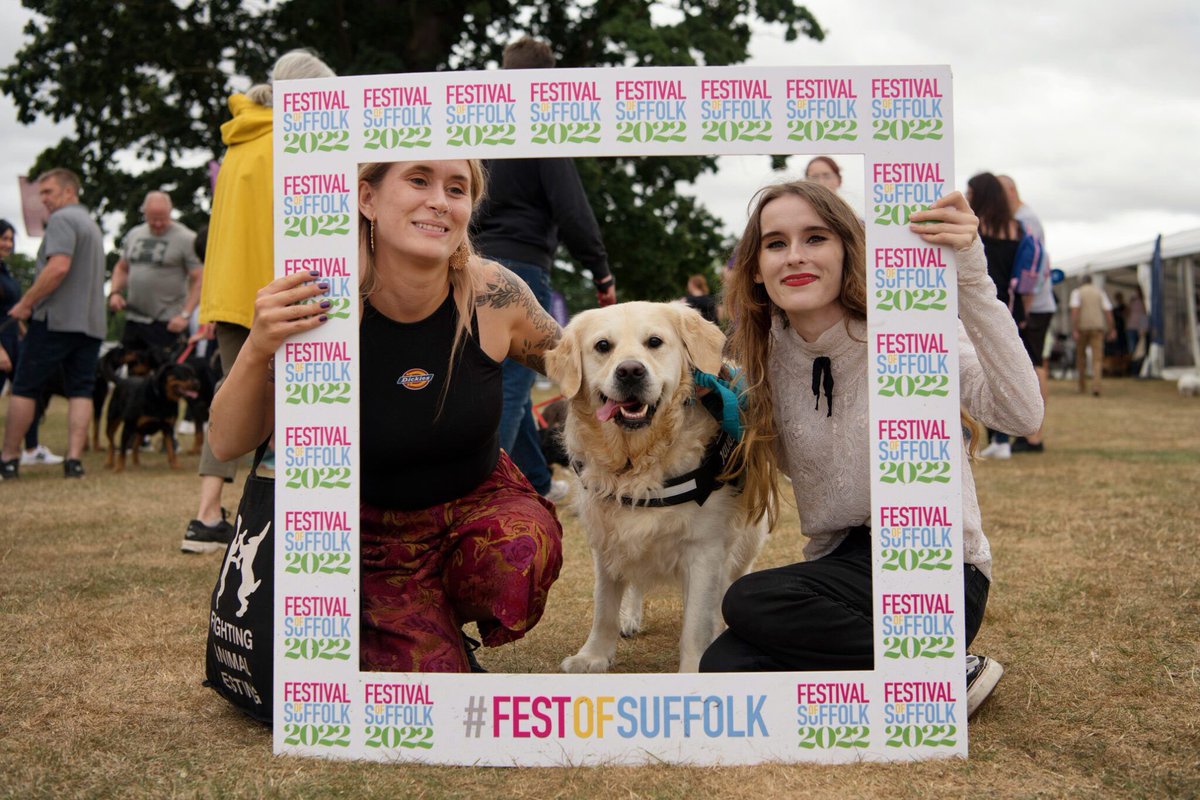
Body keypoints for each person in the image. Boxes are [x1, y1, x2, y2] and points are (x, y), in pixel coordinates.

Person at [699, 181, 1043, 720]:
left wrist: (971, 277)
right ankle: (911, 684)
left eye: (815, 238)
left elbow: (1022, 413)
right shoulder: (761, 363)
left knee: (748, 600)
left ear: (847, 249)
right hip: (842, 572)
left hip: (938, 567)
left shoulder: (908, 328)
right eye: (775, 243)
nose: (794, 256)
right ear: (756, 267)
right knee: (723, 666)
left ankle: (943, 666)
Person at [209, 159, 565, 673]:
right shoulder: (319, 302)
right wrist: (258, 347)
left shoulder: (493, 293)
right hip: (366, 534)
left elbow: (580, 365)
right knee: (431, 685)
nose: (441, 200)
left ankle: (441, 611)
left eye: (457, 189)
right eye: (419, 180)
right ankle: (411, 622)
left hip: (473, 504)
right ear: (367, 199)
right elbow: (226, 442)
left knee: (519, 545)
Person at [182, 49, 335, 553]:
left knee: (233, 402)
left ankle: (208, 514)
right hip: (279, 292)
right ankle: (278, 524)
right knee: (284, 414)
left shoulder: (239, 141)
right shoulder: (298, 141)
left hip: (228, 290)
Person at [473, 36, 616, 503]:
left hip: (467, 265)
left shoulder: (477, 130)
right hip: (520, 266)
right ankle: (479, 491)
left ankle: (535, 483)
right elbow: (573, 211)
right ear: (548, 78)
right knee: (512, 388)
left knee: (485, 380)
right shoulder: (539, 129)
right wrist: (600, 271)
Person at [0, 169, 106, 480]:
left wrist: (26, 303)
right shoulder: (92, 225)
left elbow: (58, 267)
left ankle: (8, 457)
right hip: (91, 323)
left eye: (47, 192)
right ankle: (74, 461)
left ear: (69, 191)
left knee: (25, 387)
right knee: (81, 390)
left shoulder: (61, 220)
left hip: (55, 320)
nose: (42, 199)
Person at [967, 171, 1023, 460]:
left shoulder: (976, 227)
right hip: (1012, 305)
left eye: (970, 191)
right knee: (1006, 367)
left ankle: (993, 437)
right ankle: (1003, 439)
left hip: (984, 303)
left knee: (982, 369)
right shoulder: (1017, 228)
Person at [0, 219, 65, 467]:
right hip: (2, 346)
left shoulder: (6, 271)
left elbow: (9, 312)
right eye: (2, 238)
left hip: (15, 343)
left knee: (30, 393)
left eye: (10, 239)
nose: (7, 244)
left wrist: (24, 333)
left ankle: (30, 447)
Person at [107, 191, 202, 358]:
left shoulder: (186, 238)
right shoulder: (134, 234)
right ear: (144, 213)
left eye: (163, 218)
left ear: (170, 212)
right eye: (153, 218)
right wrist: (115, 293)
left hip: (166, 323)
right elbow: (122, 268)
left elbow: (199, 278)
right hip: (134, 318)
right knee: (129, 374)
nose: (158, 223)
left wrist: (185, 315)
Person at [999, 174, 1055, 453]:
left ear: (1010, 191)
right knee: (1032, 365)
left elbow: (1033, 267)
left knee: (1034, 366)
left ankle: (1033, 435)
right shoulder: (1026, 216)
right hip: (1035, 303)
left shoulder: (1025, 219)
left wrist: (1024, 309)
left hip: (1035, 305)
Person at [1069, 275, 1116, 396]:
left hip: (1082, 327)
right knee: (1097, 359)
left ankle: (1082, 385)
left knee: (1081, 357)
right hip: (1097, 327)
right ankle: (1096, 386)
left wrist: (1074, 329)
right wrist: (1111, 329)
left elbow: (1075, 311)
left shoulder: (1077, 293)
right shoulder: (1100, 292)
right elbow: (1108, 312)